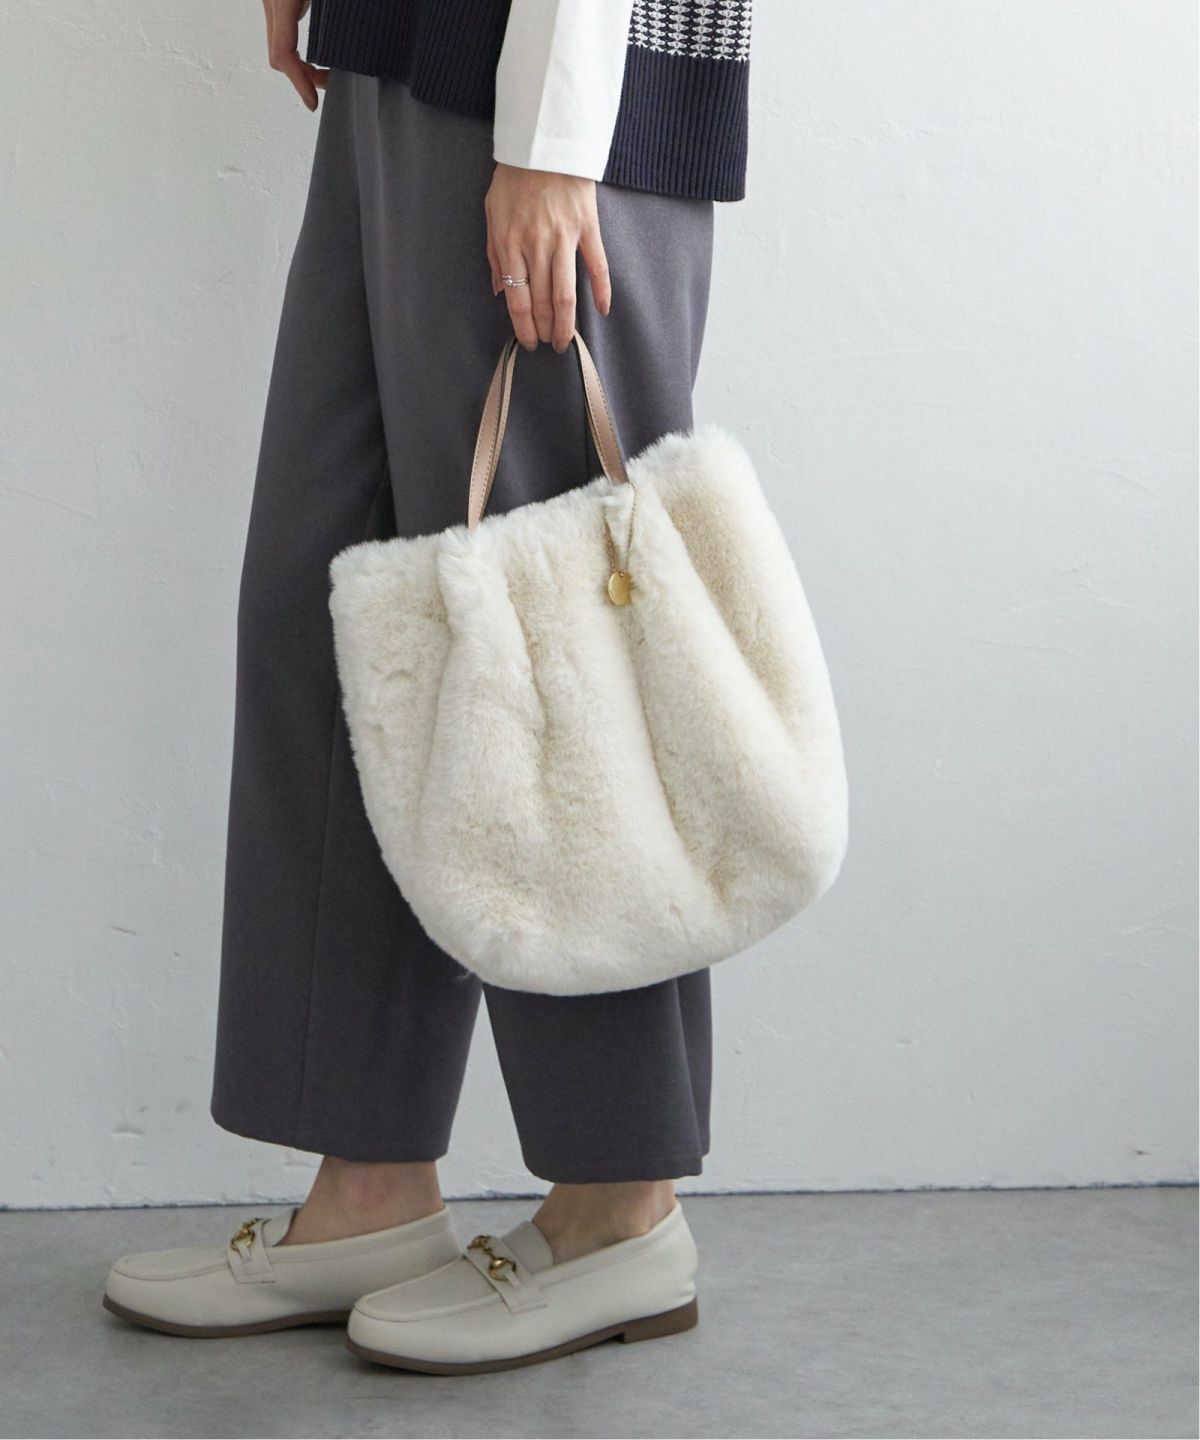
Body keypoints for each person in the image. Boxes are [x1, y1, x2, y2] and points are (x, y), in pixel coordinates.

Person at [102, 0, 752, 1374]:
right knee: (332, 605)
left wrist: (560, 135)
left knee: (556, 645)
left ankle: (620, 1201)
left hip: (558, 74)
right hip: (406, 44)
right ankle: (371, 1189)